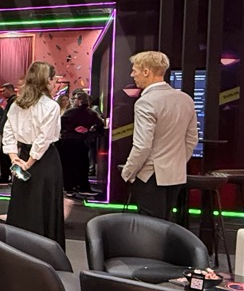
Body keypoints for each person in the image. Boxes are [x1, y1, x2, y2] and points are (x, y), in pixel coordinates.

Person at [119, 51, 199, 220]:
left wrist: (128, 172)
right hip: (175, 175)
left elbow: (142, 146)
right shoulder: (185, 99)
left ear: (146, 71)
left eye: (134, 70)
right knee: (163, 226)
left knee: (149, 228)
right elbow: (191, 140)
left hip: (150, 175)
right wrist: (176, 163)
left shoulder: (146, 102)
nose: (132, 75)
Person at [2, 61, 65, 247]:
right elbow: (44, 139)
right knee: (44, 207)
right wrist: (27, 163)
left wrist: (15, 159)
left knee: (22, 205)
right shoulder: (51, 106)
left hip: (22, 157)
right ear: (47, 80)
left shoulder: (17, 104)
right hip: (45, 161)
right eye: (54, 80)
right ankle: (44, 252)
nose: (55, 84)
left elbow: (8, 132)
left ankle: (17, 250)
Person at [59, 90, 105, 194]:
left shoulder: (69, 112)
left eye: (74, 99)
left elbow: (60, 124)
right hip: (82, 141)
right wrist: (90, 130)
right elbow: (100, 125)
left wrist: (69, 130)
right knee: (82, 165)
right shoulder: (91, 113)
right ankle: (83, 187)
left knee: (68, 165)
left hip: (68, 141)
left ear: (79, 101)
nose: (72, 101)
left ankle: (69, 188)